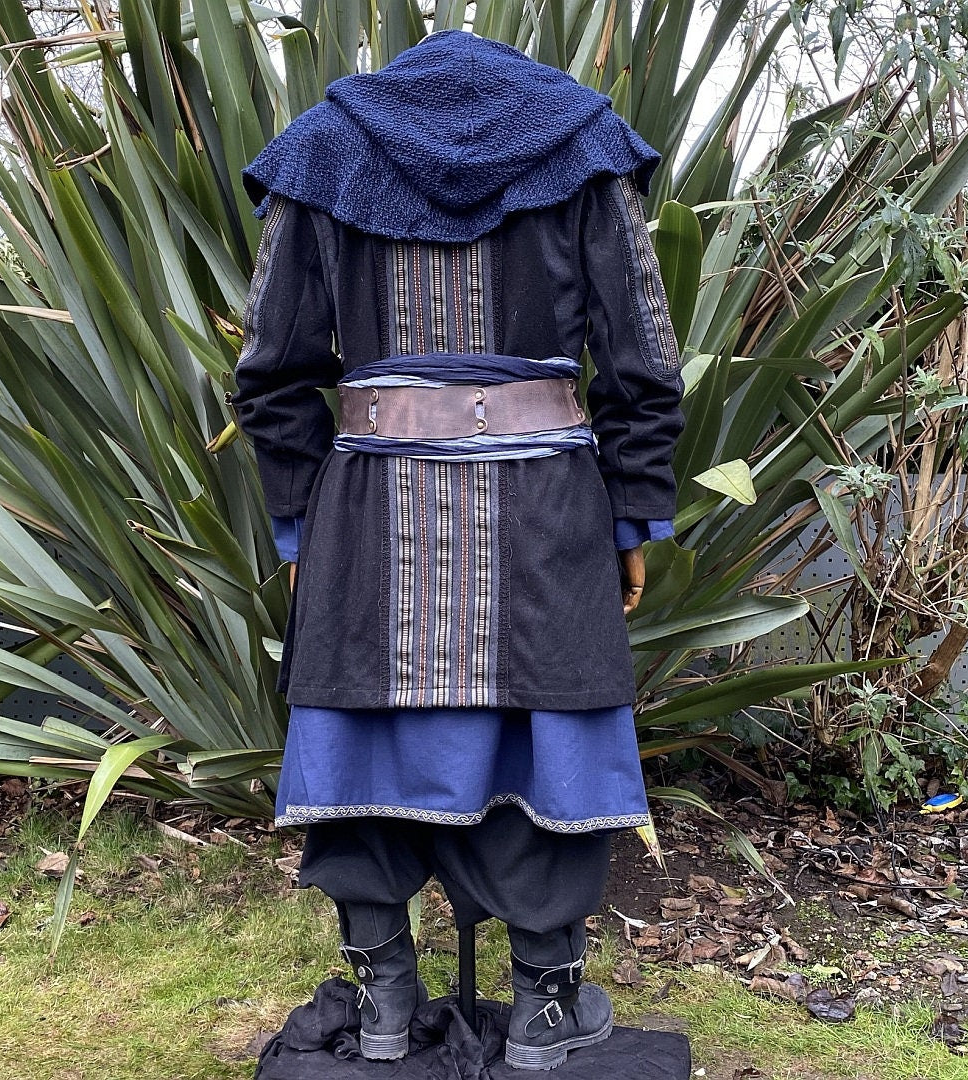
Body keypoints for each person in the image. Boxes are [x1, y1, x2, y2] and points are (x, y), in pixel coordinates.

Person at [232, 29, 684, 1072]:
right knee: (548, 736)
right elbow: (640, 359)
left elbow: (269, 367)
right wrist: (632, 515)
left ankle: (384, 1006)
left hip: (368, 518)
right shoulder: (581, 148)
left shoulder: (325, 153)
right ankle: (542, 1011)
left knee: (365, 738)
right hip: (548, 514)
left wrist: (302, 519)